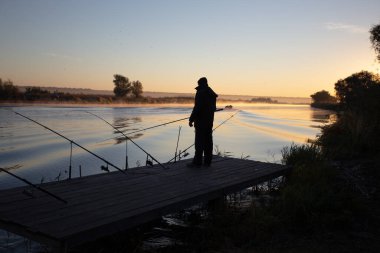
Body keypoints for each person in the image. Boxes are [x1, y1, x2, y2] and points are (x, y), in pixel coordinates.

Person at [188, 77, 218, 167]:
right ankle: (208, 161)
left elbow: (197, 107)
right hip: (209, 122)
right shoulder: (211, 94)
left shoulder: (201, 93)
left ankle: (197, 162)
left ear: (201, 84)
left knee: (199, 142)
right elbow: (213, 108)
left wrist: (191, 119)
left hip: (201, 122)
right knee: (208, 142)